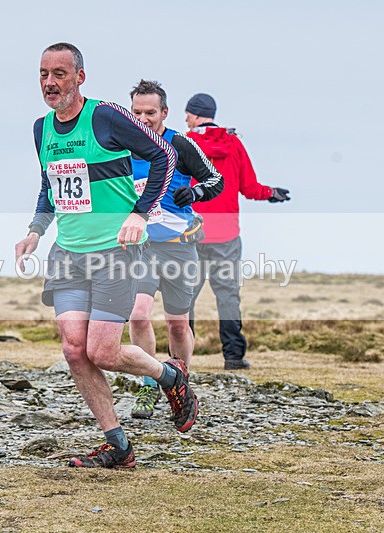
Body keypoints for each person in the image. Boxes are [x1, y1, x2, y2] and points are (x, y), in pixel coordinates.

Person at [14, 43, 198, 469]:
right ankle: (118, 444)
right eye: (43, 74)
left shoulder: (105, 116)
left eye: (59, 73)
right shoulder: (41, 129)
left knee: (102, 351)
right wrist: (35, 231)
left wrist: (139, 212)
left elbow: (163, 156)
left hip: (116, 252)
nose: (49, 82)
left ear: (80, 76)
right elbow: (50, 186)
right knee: (74, 350)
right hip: (68, 254)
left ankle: (171, 377)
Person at [126, 80, 225, 419]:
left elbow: (216, 180)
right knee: (138, 313)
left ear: (164, 113)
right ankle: (148, 385)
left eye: (150, 112)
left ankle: (181, 381)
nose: (143, 118)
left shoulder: (179, 144)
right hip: (140, 248)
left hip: (179, 248)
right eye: (137, 112)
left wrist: (196, 195)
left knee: (177, 324)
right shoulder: (122, 147)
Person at [184, 93, 291, 370]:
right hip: (226, 235)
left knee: (184, 297)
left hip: (190, 232)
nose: (185, 118)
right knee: (228, 296)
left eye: (187, 114)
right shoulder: (233, 144)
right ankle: (233, 357)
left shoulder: (185, 143)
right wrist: (272, 193)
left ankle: (181, 357)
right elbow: (250, 187)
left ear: (195, 115)